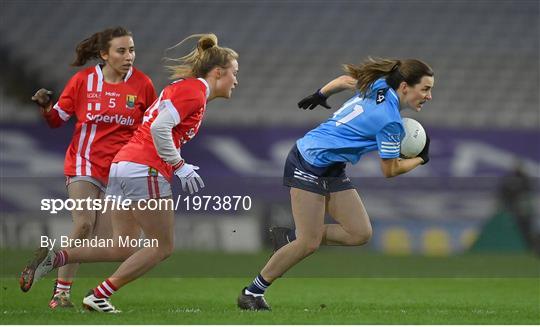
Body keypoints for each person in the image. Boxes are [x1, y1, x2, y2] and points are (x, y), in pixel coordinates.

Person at [20, 33, 239, 313]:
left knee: (121, 246)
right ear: (218, 72)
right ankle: (98, 295)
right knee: (162, 247)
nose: (236, 80)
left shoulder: (185, 89)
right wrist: (179, 165)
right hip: (144, 167)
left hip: (123, 165)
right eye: (235, 73)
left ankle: (55, 257)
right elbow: (160, 128)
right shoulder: (194, 91)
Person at [237, 57, 434, 310]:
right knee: (309, 243)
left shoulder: (381, 85)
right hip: (307, 162)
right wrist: (421, 158)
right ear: (405, 87)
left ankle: (291, 237)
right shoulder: (390, 121)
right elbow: (391, 169)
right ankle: (251, 292)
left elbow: (343, 81)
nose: (429, 96)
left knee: (359, 233)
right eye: (425, 89)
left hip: (331, 167)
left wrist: (320, 94)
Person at [24, 26, 156, 309]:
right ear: (104, 54)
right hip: (83, 164)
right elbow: (58, 118)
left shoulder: (143, 85)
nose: (129, 56)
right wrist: (47, 108)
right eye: (121, 50)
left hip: (119, 172)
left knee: (114, 244)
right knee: (84, 223)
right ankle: (60, 295)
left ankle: (53, 257)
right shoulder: (83, 81)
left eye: (132, 49)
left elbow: (150, 128)